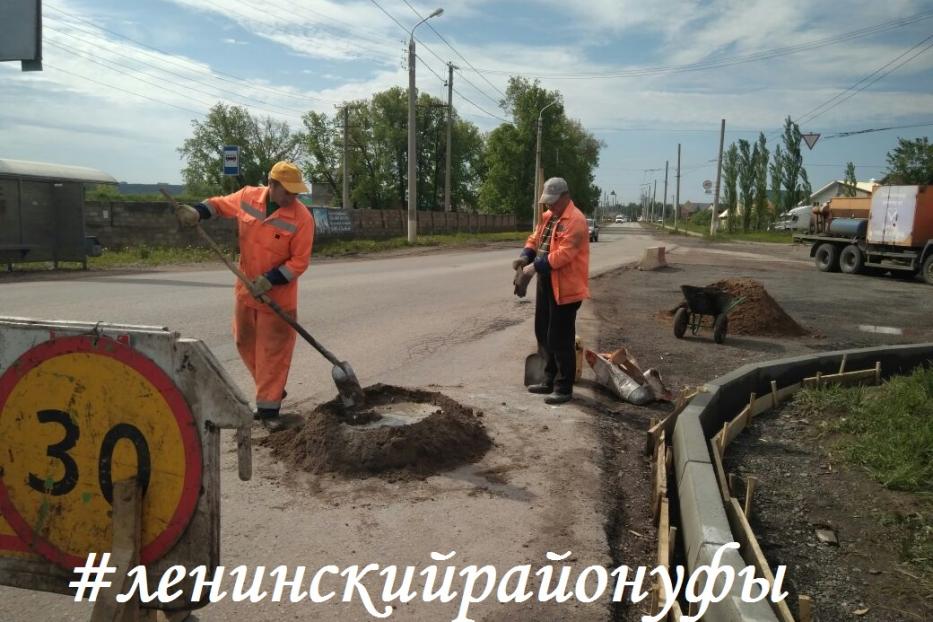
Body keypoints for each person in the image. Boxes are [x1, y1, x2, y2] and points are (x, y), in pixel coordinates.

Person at [176, 161, 315, 422]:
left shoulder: (302, 218)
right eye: (288, 191)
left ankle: (268, 409)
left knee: (272, 354)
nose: (293, 197)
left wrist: (270, 279)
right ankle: (270, 386)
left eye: (296, 193)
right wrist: (197, 212)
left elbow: (299, 262)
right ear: (271, 185)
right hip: (245, 291)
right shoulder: (248, 197)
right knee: (243, 342)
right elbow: (218, 204)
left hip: (277, 298)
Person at [512, 177, 590, 404]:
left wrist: (532, 268)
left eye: (553, 202)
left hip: (567, 288)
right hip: (548, 282)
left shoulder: (576, 221)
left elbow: (564, 255)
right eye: (546, 202)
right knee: (543, 332)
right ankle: (548, 380)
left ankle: (564, 388)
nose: (549, 206)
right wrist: (525, 255)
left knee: (560, 338)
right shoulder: (548, 217)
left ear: (565, 196)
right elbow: (535, 239)